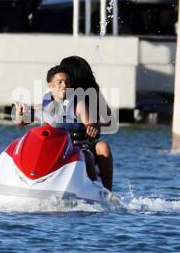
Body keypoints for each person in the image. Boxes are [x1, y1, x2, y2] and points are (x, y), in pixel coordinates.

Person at [14, 65, 100, 180]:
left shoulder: (78, 104)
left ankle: (93, 186)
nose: (64, 85)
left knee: (87, 156)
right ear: (50, 84)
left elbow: (90, 124)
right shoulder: (43, 105)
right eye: (59, 82)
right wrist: (20, 113)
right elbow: (21, 122)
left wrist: (91, 127)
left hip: (74, 150)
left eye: (67, 82)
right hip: (53, 150)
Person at [60, 56, 114, 191]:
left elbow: (110, 121)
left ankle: (106, 192)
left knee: (103, 147)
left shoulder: (94, 94)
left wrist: (93, 126)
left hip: (87, 144)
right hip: (63, 143)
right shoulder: (60, 94)